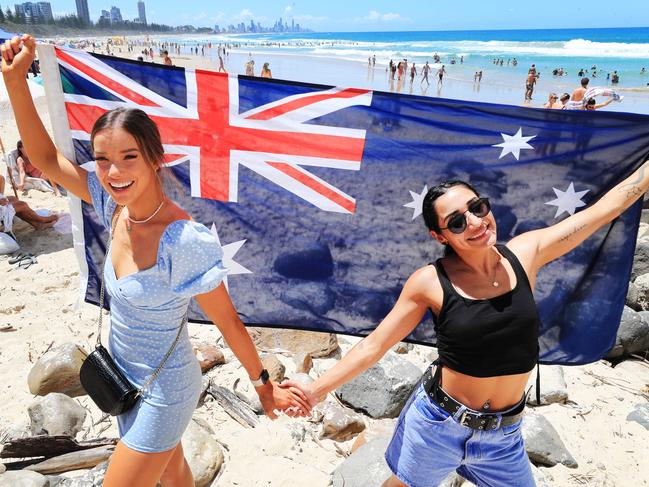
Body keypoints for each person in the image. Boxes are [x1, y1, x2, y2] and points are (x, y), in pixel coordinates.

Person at [2, 34, 310, 487]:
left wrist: (264, 385)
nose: (113, 172)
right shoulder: (114, 208)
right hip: (122, 381)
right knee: (175, 479)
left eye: (129, 157)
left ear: (154, 159)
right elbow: (45, 158)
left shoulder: (184, 240)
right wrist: (14, 82)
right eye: (103, 159)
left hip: (165, 392)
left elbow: (227, 321)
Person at [282, 160, 649, 486]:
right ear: (440, 236)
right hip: (439, 425)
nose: (474, 222)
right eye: (457, 221)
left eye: (477, 207)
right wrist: (315, 391)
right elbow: (373, 345)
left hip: (504, 435)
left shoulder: (527, 253)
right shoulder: (429, 282)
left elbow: (604, 210)